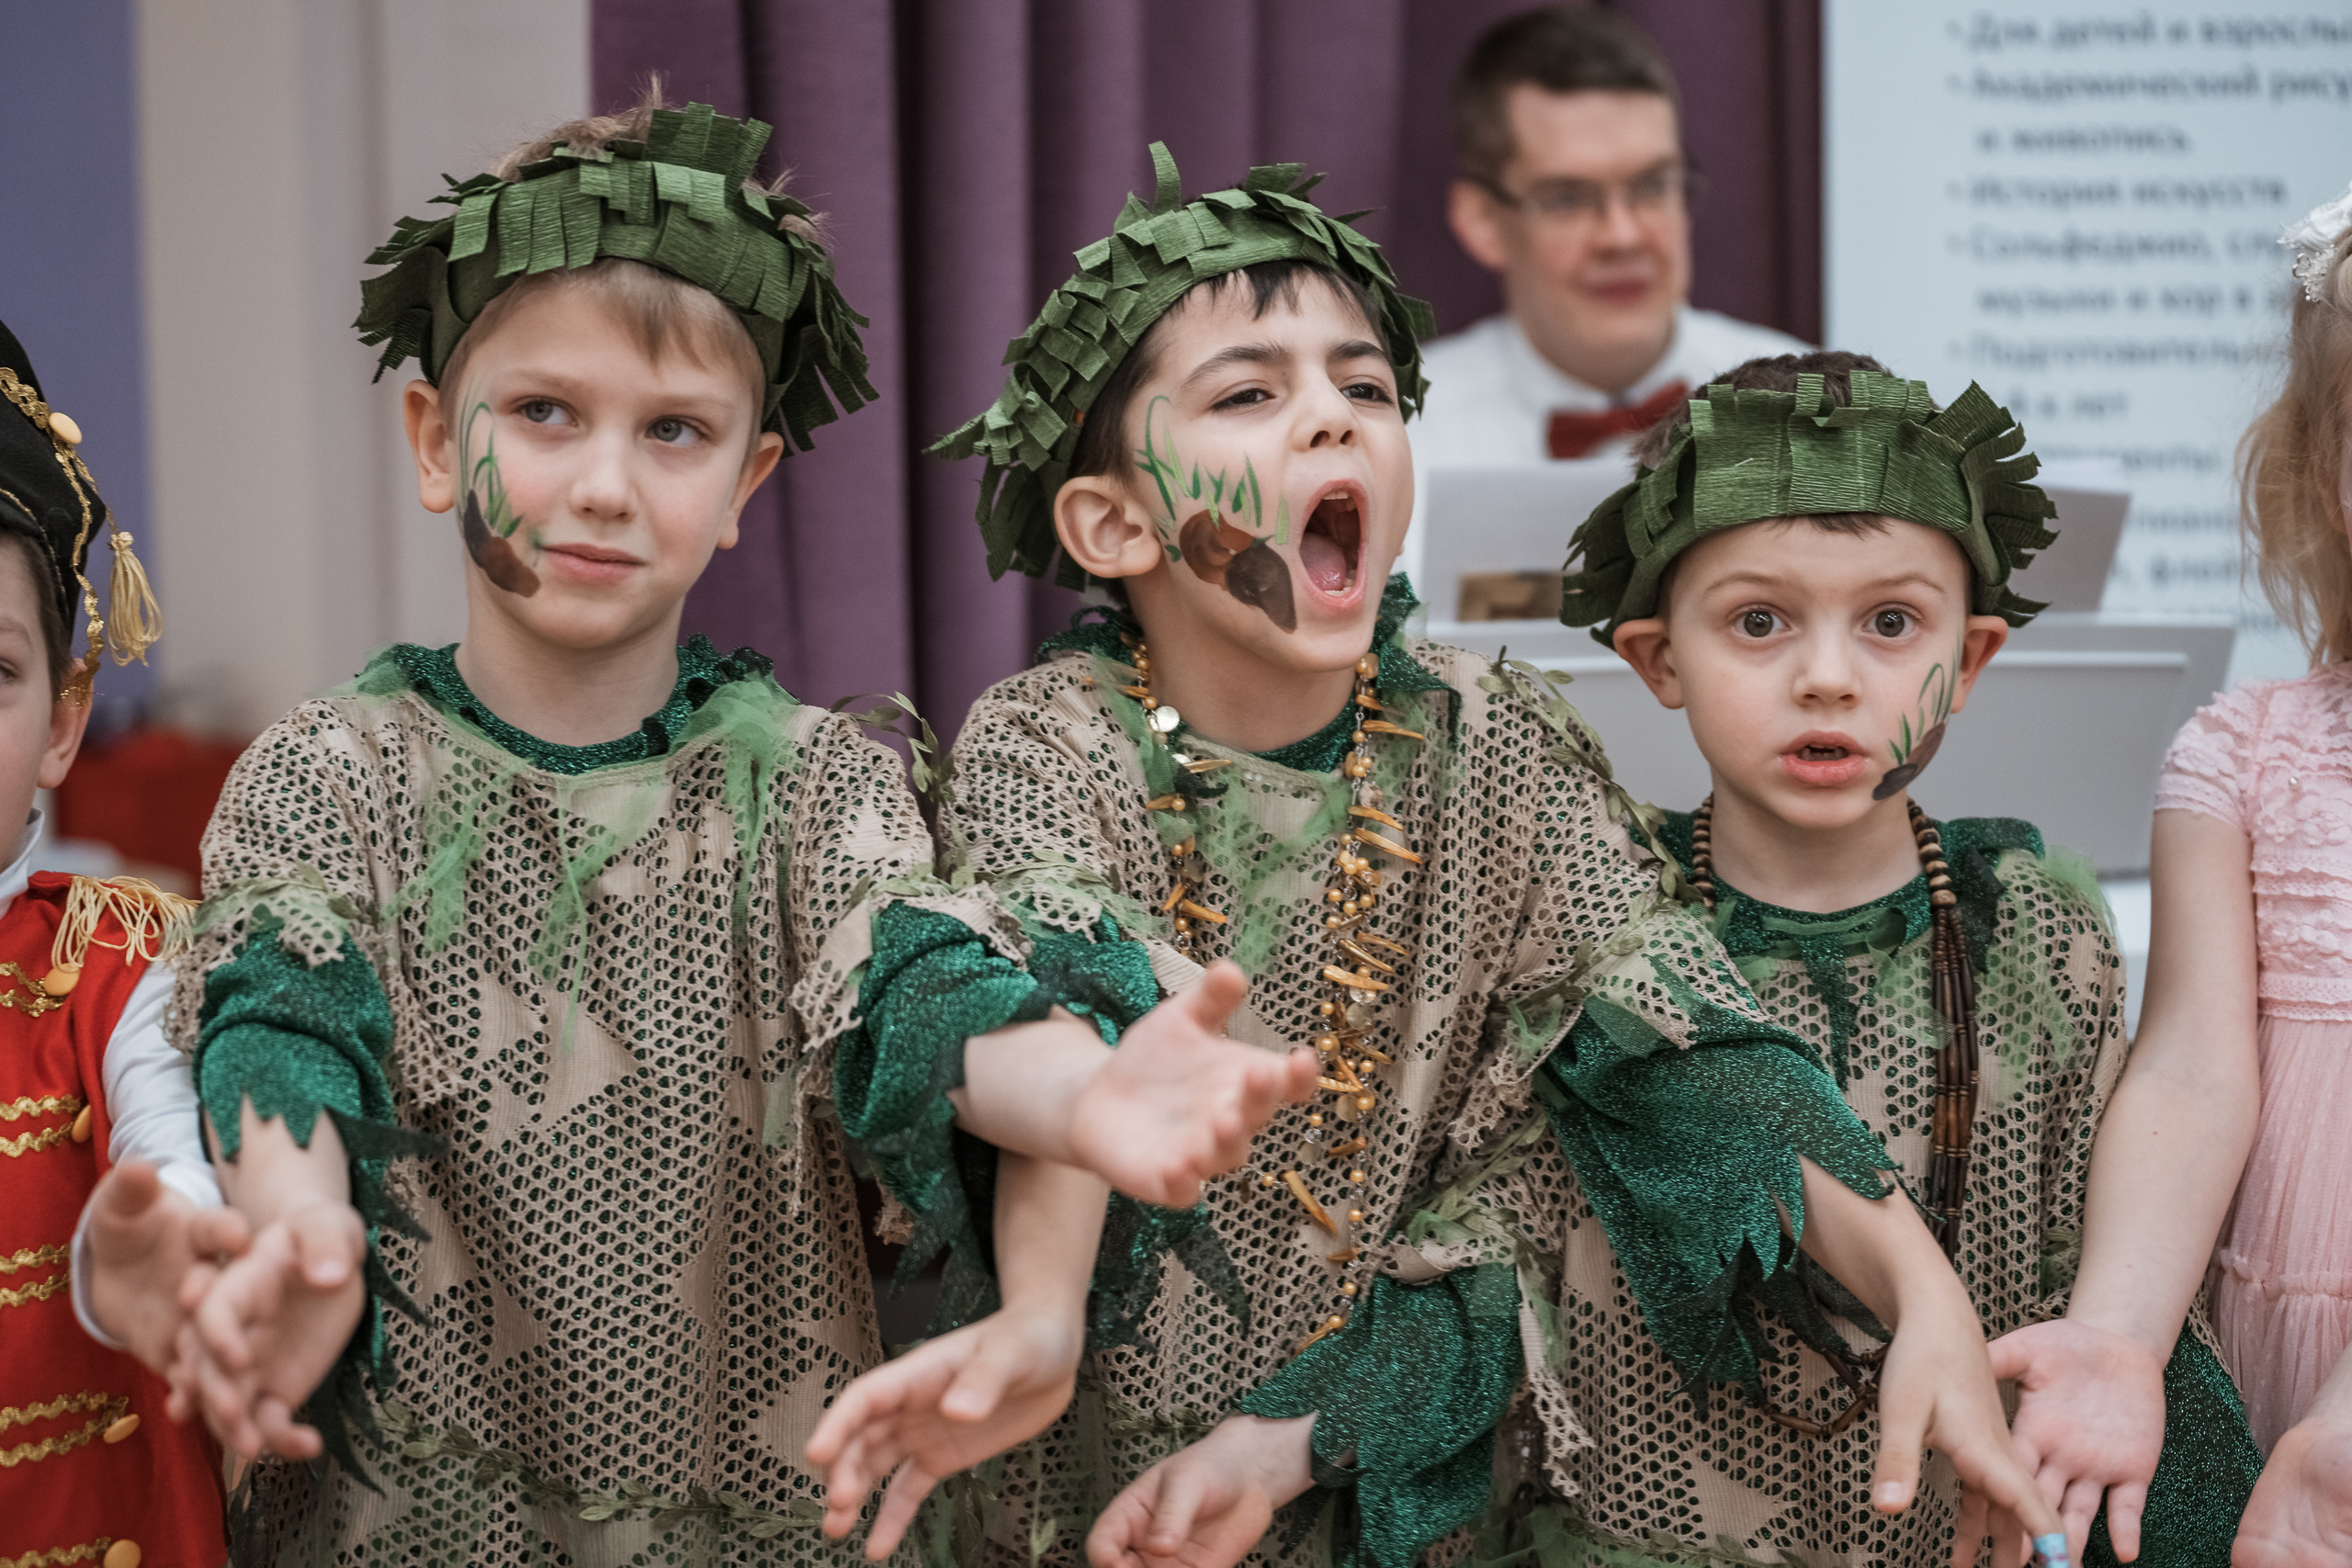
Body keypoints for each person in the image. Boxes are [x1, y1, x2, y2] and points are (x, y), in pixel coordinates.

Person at [811, 143, 2069, 1568]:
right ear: (1114, 521)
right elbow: (1059, 1009)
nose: (1331, 425)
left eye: (1364, 389)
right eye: (1250, 393)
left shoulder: (1494, 734)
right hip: (1089, 1488)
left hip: (1385, 1468)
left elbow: (1689, 1049)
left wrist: (1926, 1293)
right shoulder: (1053, 739)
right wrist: (1041, 1311)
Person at [141, 96, 1309, 1564]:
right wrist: (298, 1229)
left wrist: (1077, 1101)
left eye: (675, 430)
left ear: (747, 481)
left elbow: (919, 987)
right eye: (543, 413)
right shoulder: (327, 774)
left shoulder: (819, 787)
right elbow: (284, 1018)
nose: (606, 484)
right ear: (438, 438)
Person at [1565, 351, 2261, 1568]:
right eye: (1758, 620)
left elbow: (2100, 1262)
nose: (1828, 675)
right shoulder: (1598, 908)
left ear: (1972, 657)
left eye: (1892, 622)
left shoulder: (2033, 920)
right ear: (1658, 658)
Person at [1987, 179, 2352, 1568]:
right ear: (2327, 472)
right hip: (2277, 1340)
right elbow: (2198, 1066)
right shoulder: (2244, 753)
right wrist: (2122, 1332)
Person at [0, 317, 232, 1567]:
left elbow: (160, 1137)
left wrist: (165, 1230)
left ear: (61, 723)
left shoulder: (117, 961)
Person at [1413, 6, 1805, 479]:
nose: (1622, 237)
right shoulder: (1403, 432)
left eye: (1653, 185)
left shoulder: (1803, 410)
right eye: (1567, 198)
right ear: (1482, 221)